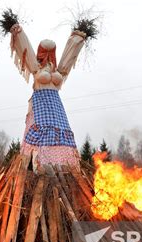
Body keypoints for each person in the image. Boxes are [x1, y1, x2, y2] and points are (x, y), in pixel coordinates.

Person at [6, 18, 90, 173]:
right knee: (42, 135)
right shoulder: (36, 69)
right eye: (45, 51)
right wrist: (17, 33)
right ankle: (41, 164)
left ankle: (65, 164)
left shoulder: (58, 70)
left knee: (62, 133)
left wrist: (78, 39)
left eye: (51, 52)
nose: (49, 55)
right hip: (41, 105)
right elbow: (25, 50)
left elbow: (68, 59)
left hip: (56, 107)